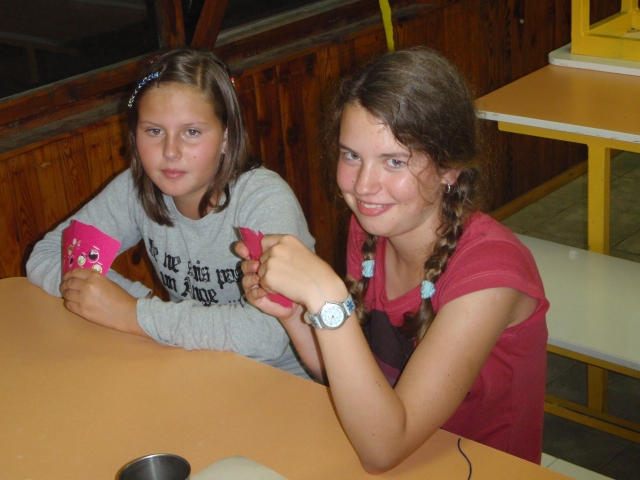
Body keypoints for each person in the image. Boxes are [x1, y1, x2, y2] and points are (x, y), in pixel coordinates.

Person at [237, 47, 549, 471]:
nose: (364, 186)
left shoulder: (491, 276)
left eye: (394, 161)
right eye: (351, 155)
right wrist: (294, 314)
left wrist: (327, 299)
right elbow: (356, 381)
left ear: (449, 168)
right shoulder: (371, 231)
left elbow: (383, 447)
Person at [26, 48, 314, 379]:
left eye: (192, 132)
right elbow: (49, 255)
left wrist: (134, 313)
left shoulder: (263, 199)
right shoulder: (136, 189)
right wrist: (134, 306)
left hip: (281, 381)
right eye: (154, 131)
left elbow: (267, 333)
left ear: (227, 136)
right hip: (192, 367)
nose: (170, 152)